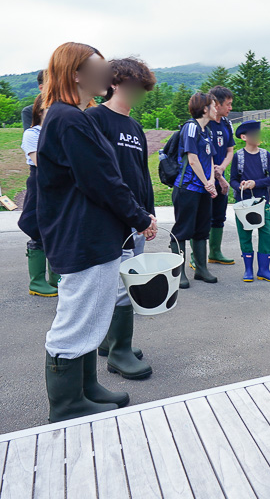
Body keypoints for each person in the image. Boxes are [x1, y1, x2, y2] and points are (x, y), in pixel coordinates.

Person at [36, 42, 157, 423]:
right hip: (83, 236)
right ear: (76, 74)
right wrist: (139, 217)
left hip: (92, 235)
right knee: (74, 322)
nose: (108, 76)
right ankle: (67, 403)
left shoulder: (71, 116)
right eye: (99, 69)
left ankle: (86, 389)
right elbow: (102, 180)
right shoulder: (69, 119)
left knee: (90, 318)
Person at [84, 57, 156, 380]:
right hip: (112, 220)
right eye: (131, 86)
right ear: (113, 84)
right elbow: (100, 178)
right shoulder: (96, 119)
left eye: (141, 88)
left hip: (137, 218)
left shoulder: (135, 126)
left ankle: (112, 341)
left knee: (128, 281)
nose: (136, 93)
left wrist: (149, 212)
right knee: (118, 288)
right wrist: (131, 214)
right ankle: (120, 353)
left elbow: (142, 174)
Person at [172, 92, 220, 285]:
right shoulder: (190, 127)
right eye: (213, 106)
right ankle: (179, 273)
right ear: (205, 108)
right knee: (183, 230)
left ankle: (201, 269)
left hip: (203, 189)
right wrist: (207, 182)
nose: (216, 109)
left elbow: (209, 158)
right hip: (188, 187)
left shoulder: (207, 131)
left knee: (202, 230)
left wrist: (211, 182)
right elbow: (192, 159)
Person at [17, 95, 59, 297]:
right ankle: (37, 282)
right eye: (50, 108)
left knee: (56, 229)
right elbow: (40, 162)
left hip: (59, 186)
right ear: (39, 111)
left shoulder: (59, 132)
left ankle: (55, 277)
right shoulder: (32, 133)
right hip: (40, 184)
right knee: (37, 228)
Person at [230, 120, 270, 282]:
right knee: (245, 234)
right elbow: (233, 180)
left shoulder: (265, 155)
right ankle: (248, 270)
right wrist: (240, 186)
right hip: (243, 204)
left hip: (262, 203)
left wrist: (256, 183)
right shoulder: (239, 156)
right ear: (244, 137)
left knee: (266, 234)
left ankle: (264, 270)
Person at [205, 85, 236, 266]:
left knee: (219, 216)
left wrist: (222, 168)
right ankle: (197, 256)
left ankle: (215, 252)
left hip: (220, 177)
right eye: (228, 104)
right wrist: (215, 174)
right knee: (202, 218)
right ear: (216, 103)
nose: (230, 108)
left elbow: (230, 150)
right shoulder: (203, 122)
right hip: (204, 179)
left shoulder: (226, 124)